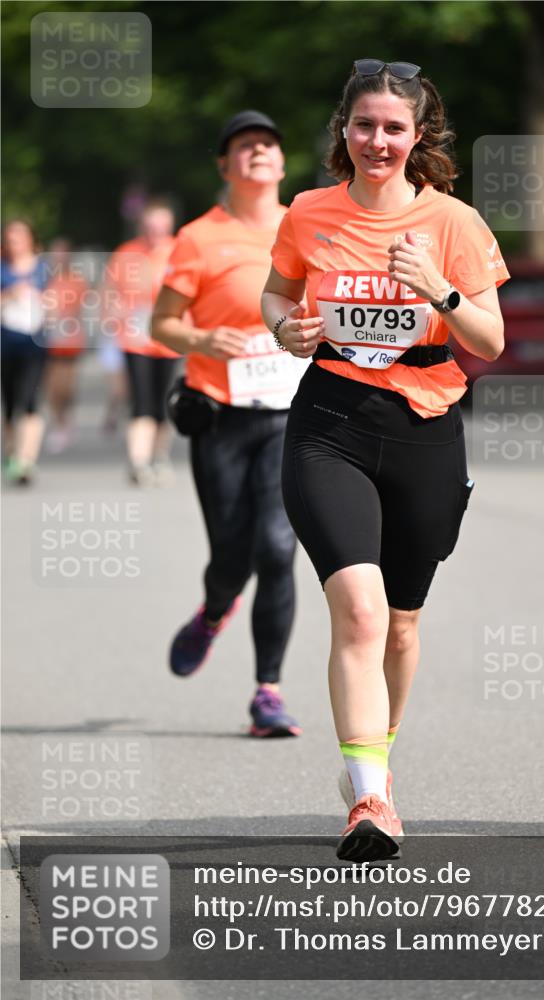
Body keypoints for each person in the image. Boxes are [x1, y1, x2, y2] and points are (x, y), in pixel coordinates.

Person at [262, 59, 509, 860]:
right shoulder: (309, 211)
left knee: (401, 624)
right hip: (329, 418)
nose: (376, 140)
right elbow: (277, 292)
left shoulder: (454, 223)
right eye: (363, 125)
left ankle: (378, 759)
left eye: (393, 128)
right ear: (344, 131)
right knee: (360, 613)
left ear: (418, 137)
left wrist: (438, 289)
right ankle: (368, 797)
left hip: (424, 426)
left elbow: (490, 341)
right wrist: (283, 328)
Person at [151, 110, 307, 737]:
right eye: (244, 146)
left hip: (290, 413)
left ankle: (267, 692)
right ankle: (214, 611)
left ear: (282, 162)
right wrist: (202, 338)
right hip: (219, 414)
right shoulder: (197, 237)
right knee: (231, 556)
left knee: (277, 549)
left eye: (268, 143)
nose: (258, 152)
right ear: (226, 166)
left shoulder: (311, 224)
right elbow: (160, 325)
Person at [103, 201, 180, 485]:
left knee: (164, 404)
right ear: (141, 227)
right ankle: (138, 462)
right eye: (150, 227)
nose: (155, 233)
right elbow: (110, 293)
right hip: (135, 339)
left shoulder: (179, 251)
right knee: (141, 402)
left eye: (161, 227)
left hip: (171, 338)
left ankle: (159, 456)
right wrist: (114, 315)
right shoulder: (126, 254)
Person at [1, 219, 49, 485]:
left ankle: (26, 460)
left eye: (19, 237)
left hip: (36, 344)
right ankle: (11, 452)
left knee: (29, 400)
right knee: (10, 404)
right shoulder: (2, 268)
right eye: (10, 238)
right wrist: (10, 295)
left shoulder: (45, 268)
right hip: (5, 344)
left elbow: (63, 299)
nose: (14, 243)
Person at [43, 238, 89, 454]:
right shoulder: (44, 279)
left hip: (70, 340)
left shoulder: (76, 281)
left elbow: (80, 309)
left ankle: (66, 421)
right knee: (52, 387)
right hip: (48, 340)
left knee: (66, 387)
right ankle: (57, 423)